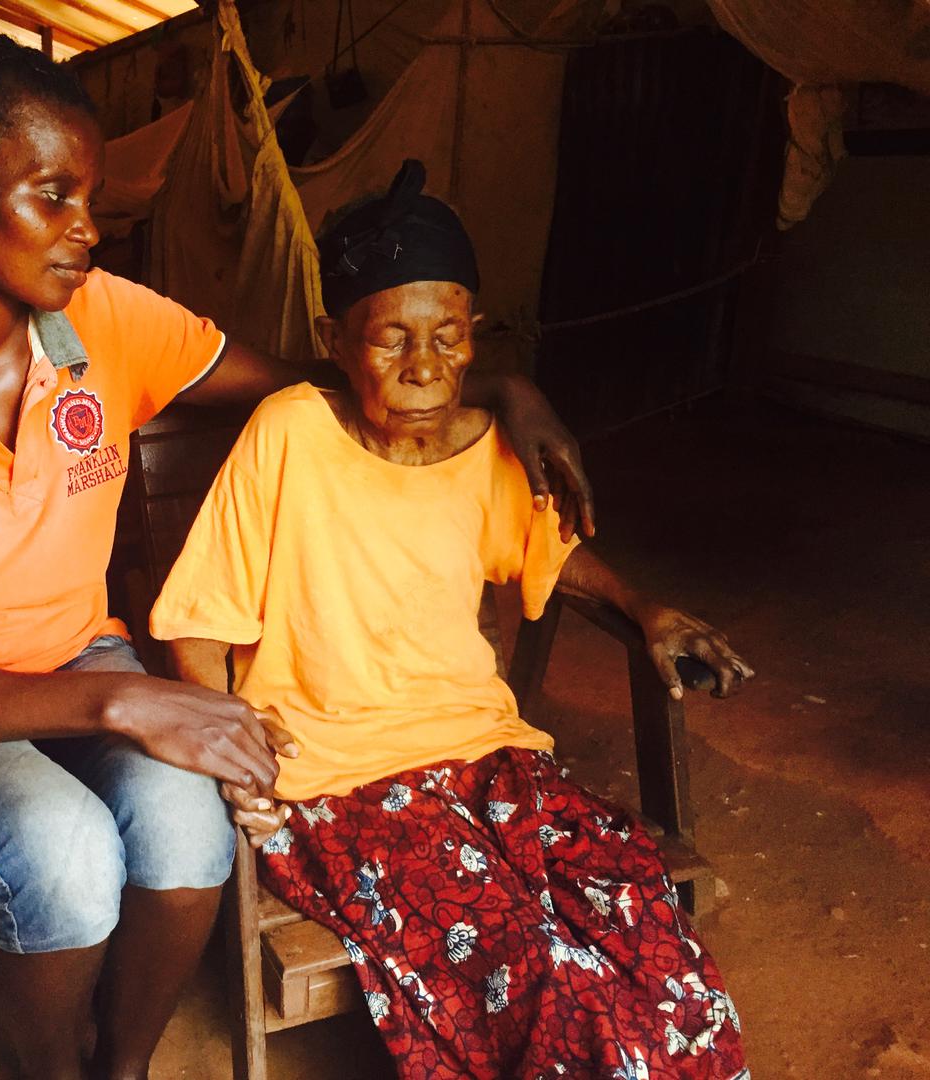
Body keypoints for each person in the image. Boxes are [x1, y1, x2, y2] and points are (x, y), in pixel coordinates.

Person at [0, 38, 594, 1080]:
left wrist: (503, 391)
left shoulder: (108, 322)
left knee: (186, 827)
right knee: (63, 849)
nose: (89, 228)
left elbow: (324, 373)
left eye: (93, 197)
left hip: (78, 662)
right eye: (54, 195)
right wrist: (125, 703)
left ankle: (120, 1065)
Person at [151, 161, 753, 1080]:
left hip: (489, 758)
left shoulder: (486, 447)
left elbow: (547, 555)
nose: (424, 366)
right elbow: (198, 619)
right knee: (537, 977)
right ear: (335, 338)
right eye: (391, 338)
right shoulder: (289, 435)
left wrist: (644, 606)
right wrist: (233, 732)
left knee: (638, 919)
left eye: (447, 337)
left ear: (475, 338)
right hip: (340, 781)